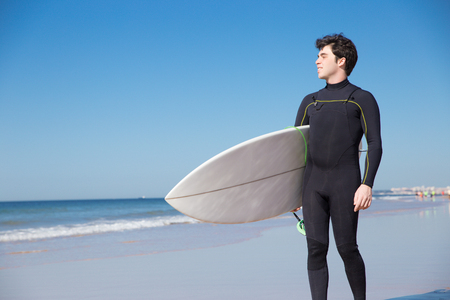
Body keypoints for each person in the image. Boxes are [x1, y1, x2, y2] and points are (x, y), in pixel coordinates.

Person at [292, 34, 383, 300]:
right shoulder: (310, 101)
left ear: (341, 60)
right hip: (312, 185)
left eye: (323, 55)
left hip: (345, 184)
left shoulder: (361, 98)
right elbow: (295, 149)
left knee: (347, 248)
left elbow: (375, 144)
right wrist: (291, 191)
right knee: (315, 249)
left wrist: (367, 184)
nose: (317, 60)